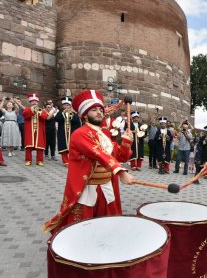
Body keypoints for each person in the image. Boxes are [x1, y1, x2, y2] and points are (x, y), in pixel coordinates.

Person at [42, 89, 134, 234]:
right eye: (94, 110)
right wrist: (121, 171)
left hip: (106, 187)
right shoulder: (79, 134)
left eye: (100, 109)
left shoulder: (104, 134)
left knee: (108, 226)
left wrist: (126, 142)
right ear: (84, 115)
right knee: (82, 228)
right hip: (87, 187)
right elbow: (97, 153)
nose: (99, 112)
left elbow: (119, 156)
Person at [22, 93, 54, 166]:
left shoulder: (41, 110)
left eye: (35, 101)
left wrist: (39, 113)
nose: (34, 102)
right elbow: (25, 115)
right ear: (30, 102)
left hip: (39, 130)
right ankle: (28, 160)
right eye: (32, 101)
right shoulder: (27, 109)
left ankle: (39, 160)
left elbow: (45, 117)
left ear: (37, 102)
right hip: (30, 130)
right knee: (29, 146)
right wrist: (32, 110)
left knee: (40, 146)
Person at [54, 97, 80, 166]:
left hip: (71, 133)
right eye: (65, 105)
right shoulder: (60, 113)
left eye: (68, 105)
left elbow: (76, 121)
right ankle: (66, 161)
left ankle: (72, 160)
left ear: (70, 106)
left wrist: (71, 114)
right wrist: (62, 113)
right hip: (62, 133)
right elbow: (56, 119)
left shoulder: (74, 114)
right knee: (63, 147)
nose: (66, 106)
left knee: (72, 147)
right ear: (62, 106)